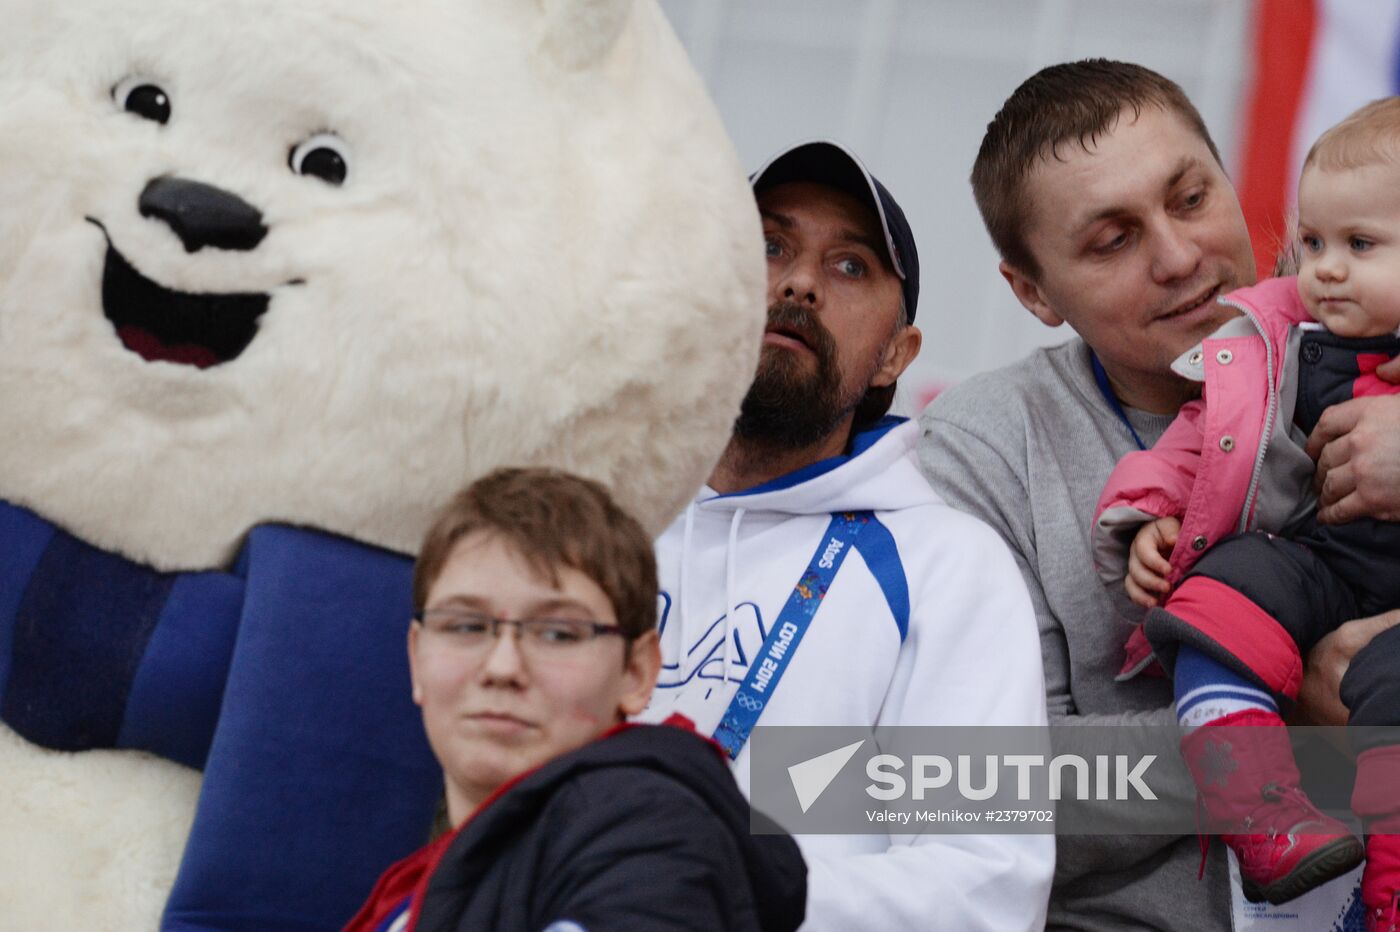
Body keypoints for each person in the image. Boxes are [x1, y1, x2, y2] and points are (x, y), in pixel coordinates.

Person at [918, 60, 1400, 931]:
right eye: (1113, 240)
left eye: (1190, 199)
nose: (1180, 258)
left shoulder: (1365, 334)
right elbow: (975, 786)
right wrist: (1280, 723)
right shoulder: (985, 450)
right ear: (1032, 292)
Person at [636, 140, 1054, 932]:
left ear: (898, 355)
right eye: (769, 246)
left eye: (851, 266)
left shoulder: (946, 567)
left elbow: (989, 886)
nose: (797, 282)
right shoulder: (598, 521)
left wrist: (742, 890)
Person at [1093, 97, 1400, 922]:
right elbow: (1207, 430)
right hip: (1323, 562)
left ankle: (1391, 897)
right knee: (1219, 597)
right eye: (1314, 242)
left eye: (1361, 245)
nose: (1324, 268)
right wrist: (1152, 510)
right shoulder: (1277, 335)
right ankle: (1260, 812)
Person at [344, 467, 806, 932]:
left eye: (558, 633)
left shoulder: (650, 839)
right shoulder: (408, 892)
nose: (503, 667)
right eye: (466, 626)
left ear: (637, 671)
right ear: (416, 656)